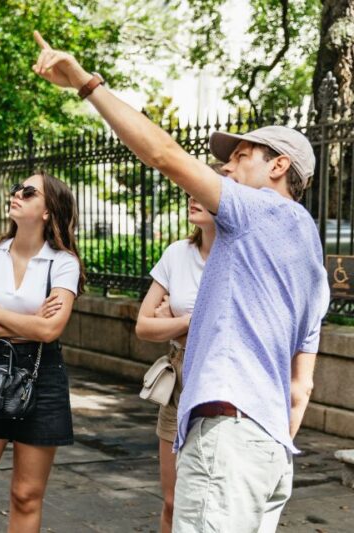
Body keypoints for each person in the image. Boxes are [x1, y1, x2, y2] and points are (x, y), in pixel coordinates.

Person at [33, 32, 329, 531]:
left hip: (230, 437)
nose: (227, 167)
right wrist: (271, 445)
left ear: (279, 166)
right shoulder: (312, 259)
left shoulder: (260, 212)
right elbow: (302, 386)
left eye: (241, 157)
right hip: (271, 449)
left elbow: (164, 154)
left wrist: (86, 85)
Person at [0, 172, 85, 533]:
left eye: (28, 191)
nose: (17, 195)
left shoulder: (63, 262)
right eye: (16, 189)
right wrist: (26, 323)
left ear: (47, 210)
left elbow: (51, 330)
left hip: (44, 375)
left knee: (26, 496)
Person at [135, 190, 217, 533]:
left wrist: (172, 318)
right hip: (180, 376)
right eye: (189, 194)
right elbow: (143, 325)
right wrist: (187, 324)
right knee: (172, 501)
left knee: (210, 506)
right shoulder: (177, 253)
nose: (192, 199)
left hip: (219, 379)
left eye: (202, 193)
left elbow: (228, 332)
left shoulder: (238, 256)